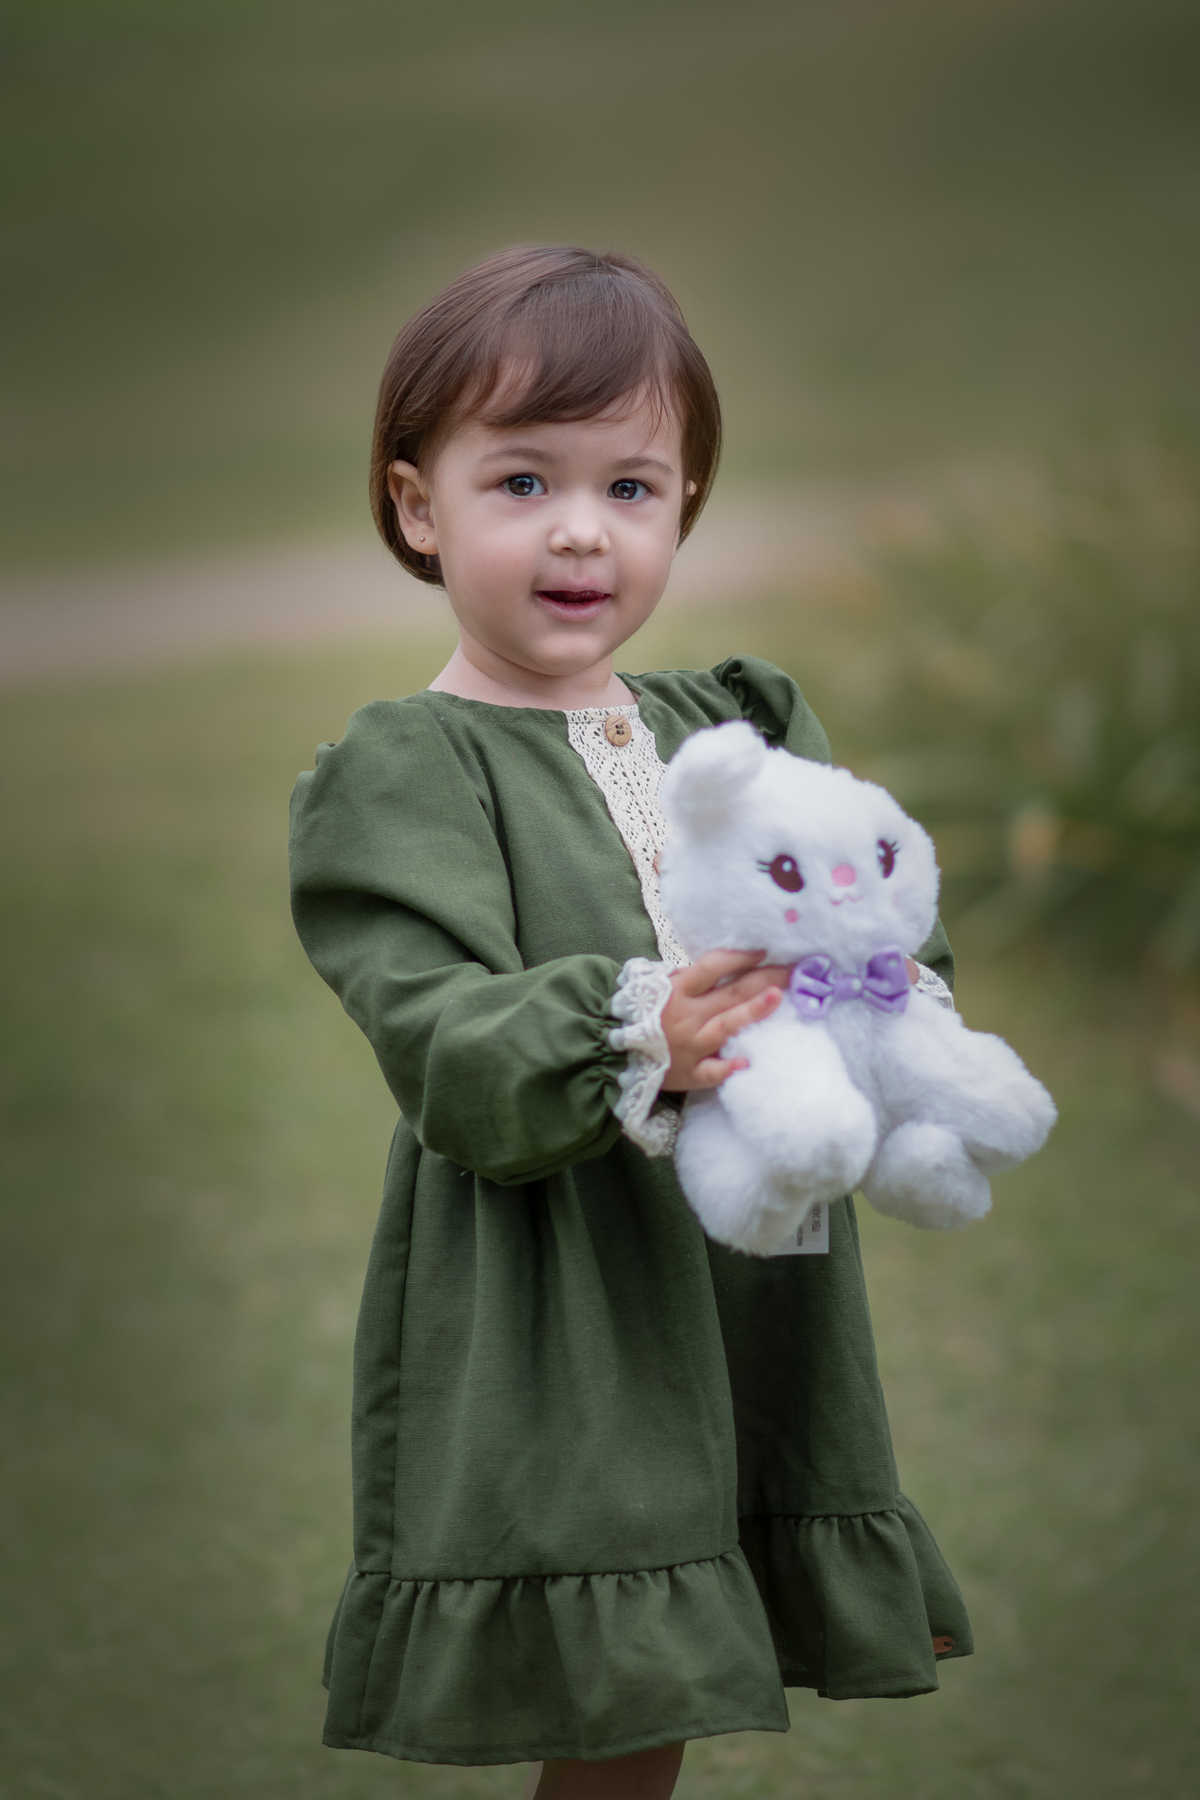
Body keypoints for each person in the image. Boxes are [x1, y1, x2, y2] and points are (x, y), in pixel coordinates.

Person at [289, 245, 971, 1800]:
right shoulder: (409, 772)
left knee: (673, 1675)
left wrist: (891, 1014)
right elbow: (442, 1037)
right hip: (566, 1283)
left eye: (633, 487)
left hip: (751, 1267)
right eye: (521, 482)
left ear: (683, 510)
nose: (582, 529)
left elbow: (867, 907)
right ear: (419, 507)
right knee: (619, 1682)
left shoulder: (731, 727)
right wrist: (635, 1030)